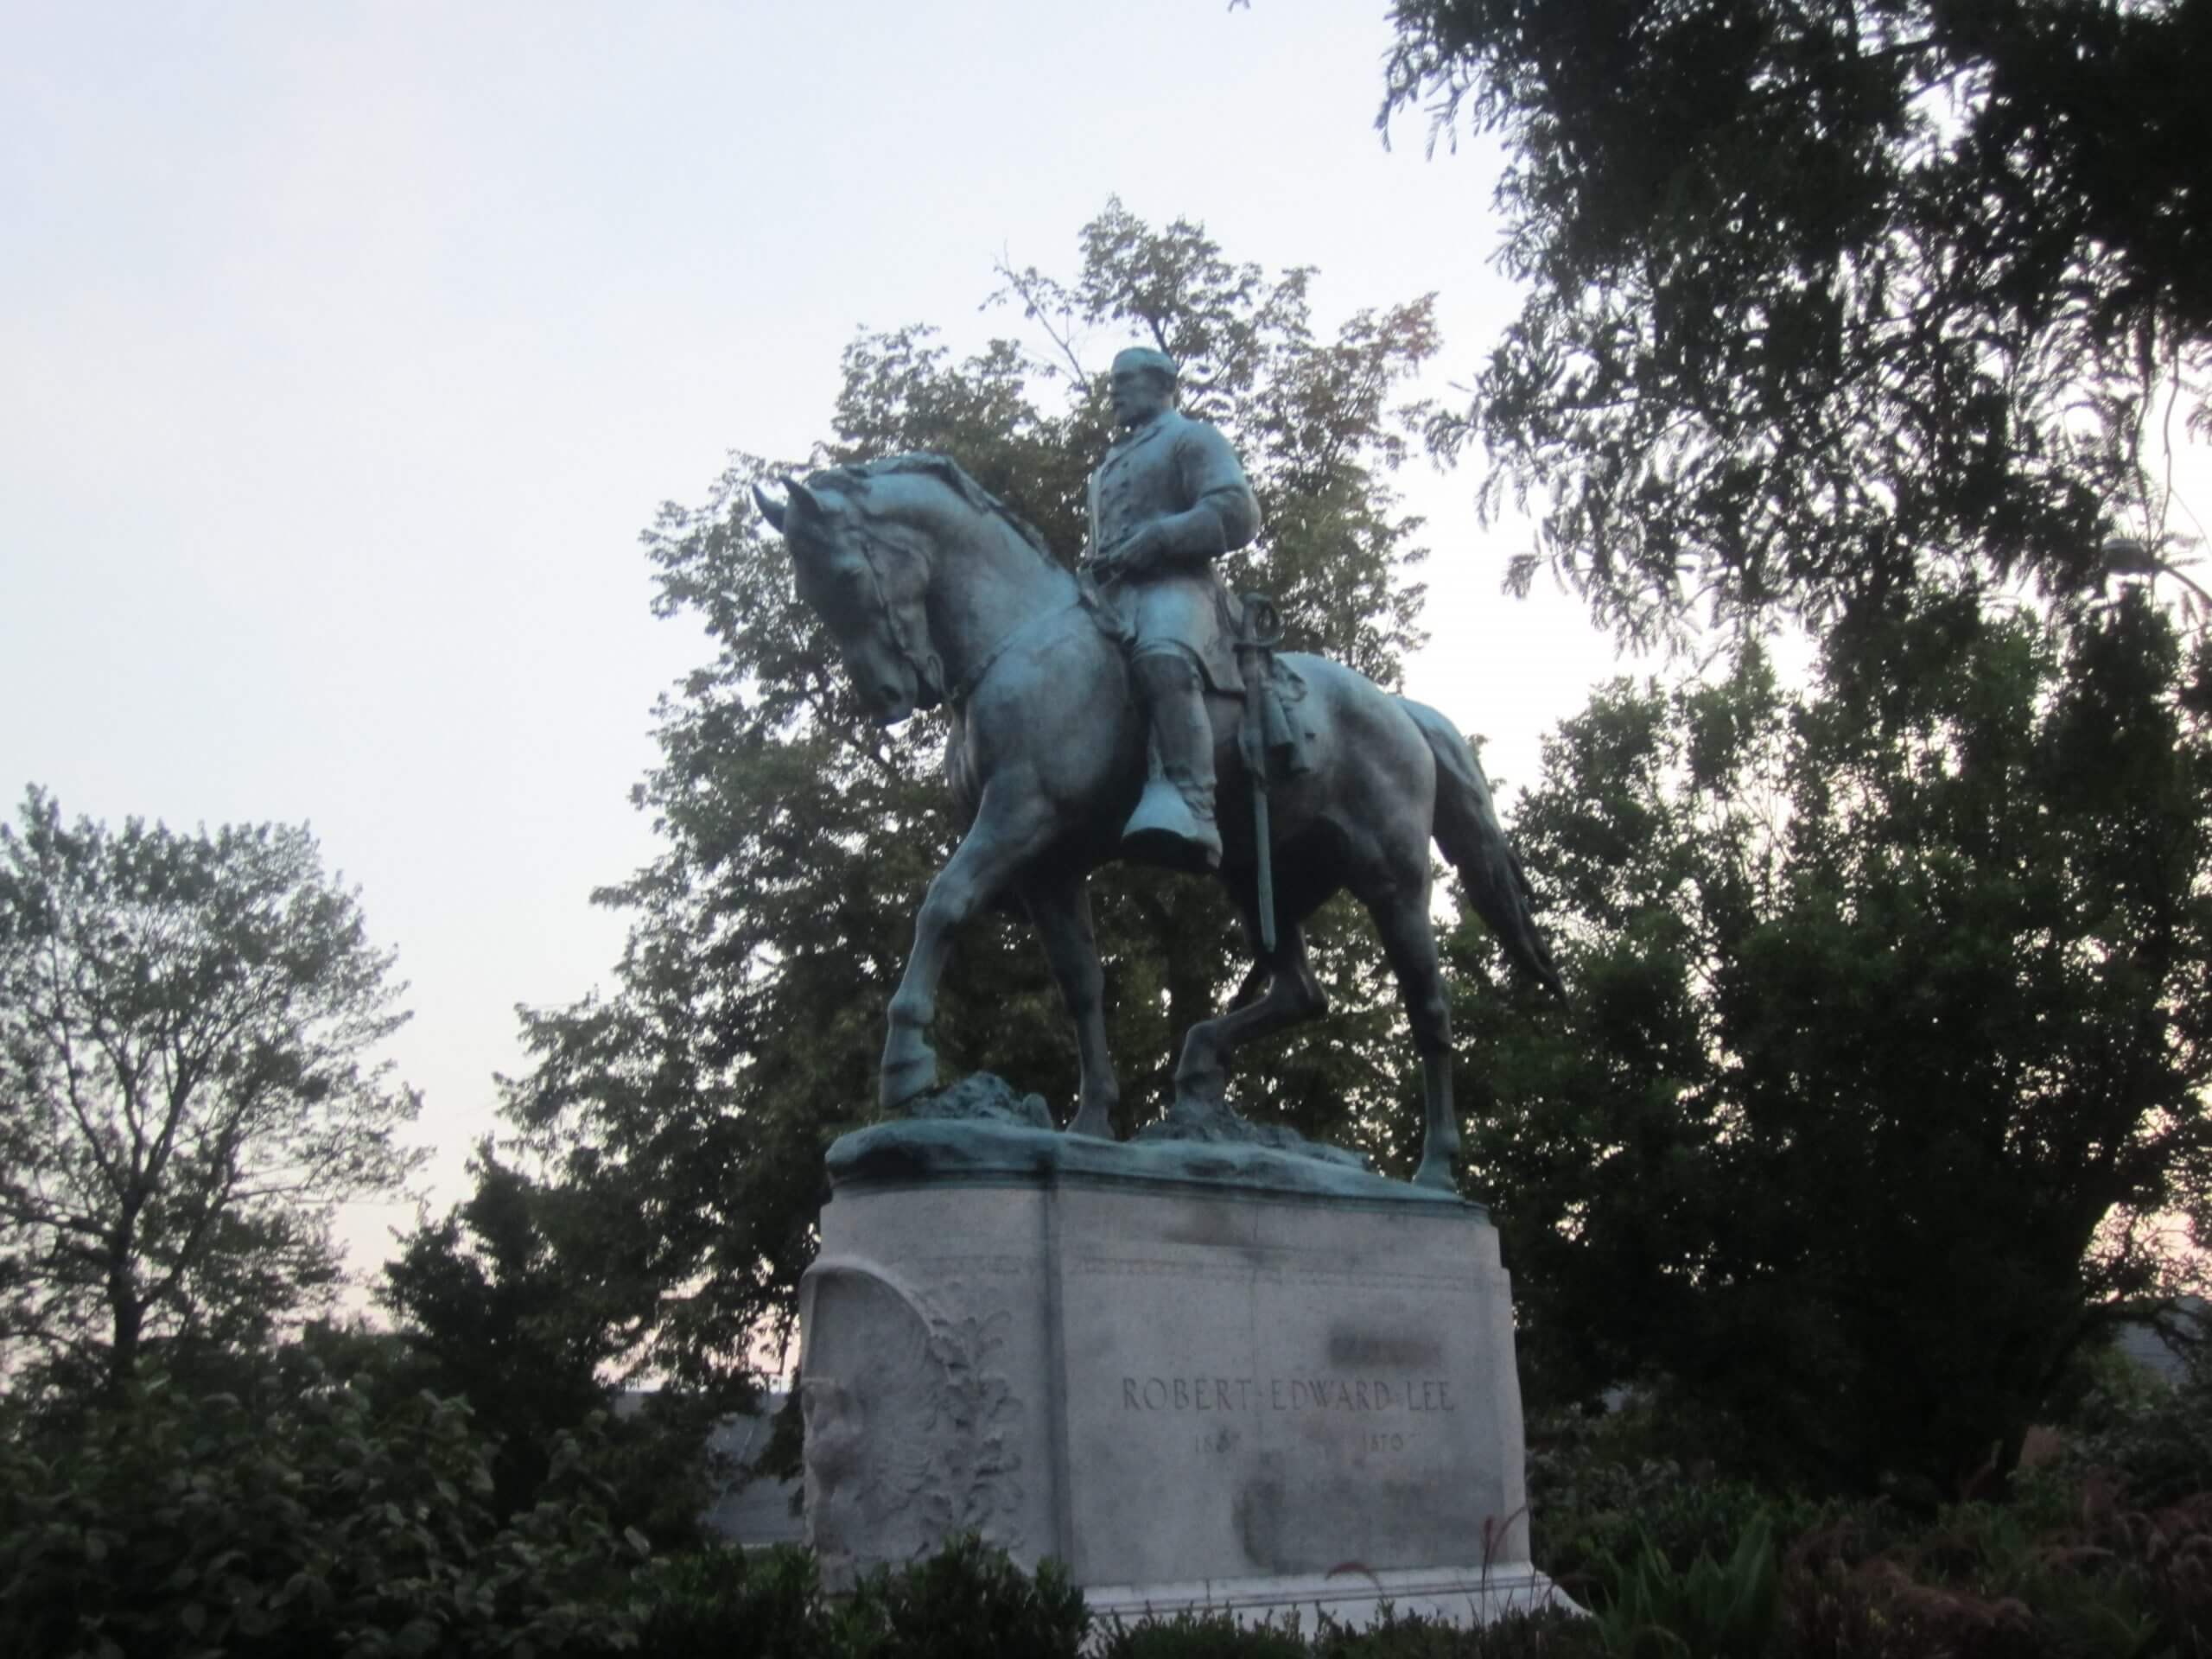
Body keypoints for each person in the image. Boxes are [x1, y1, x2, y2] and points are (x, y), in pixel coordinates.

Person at [1084, 346, 1261, 871]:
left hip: (1179, 588)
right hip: (1111, 595)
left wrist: (1162, 536)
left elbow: (1236, 509)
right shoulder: (1108, 466)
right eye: (1111, 381)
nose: (1113, 391)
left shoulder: (1192, 438)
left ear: (1162, 383)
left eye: (1125, 380)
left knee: (1162, 656)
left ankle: (1191, 801)